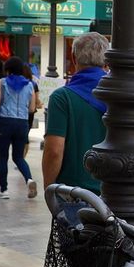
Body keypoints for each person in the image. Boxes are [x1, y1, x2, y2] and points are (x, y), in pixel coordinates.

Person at [42, 32, 109, 197]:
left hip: (73, 193)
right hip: (112, 193)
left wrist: (49, 190)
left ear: (73, 58)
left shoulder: (62, 98)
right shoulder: (118, 94)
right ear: (107, 61)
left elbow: (54, 151)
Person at [0, 56, 41, 199]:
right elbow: (32, 108)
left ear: (7, 70)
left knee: (3, 156)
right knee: (18, 157)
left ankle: (4, 190)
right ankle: (29, 179)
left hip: (5, 122)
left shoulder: (1, 83)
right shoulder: (30, 85)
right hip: (22, 123)